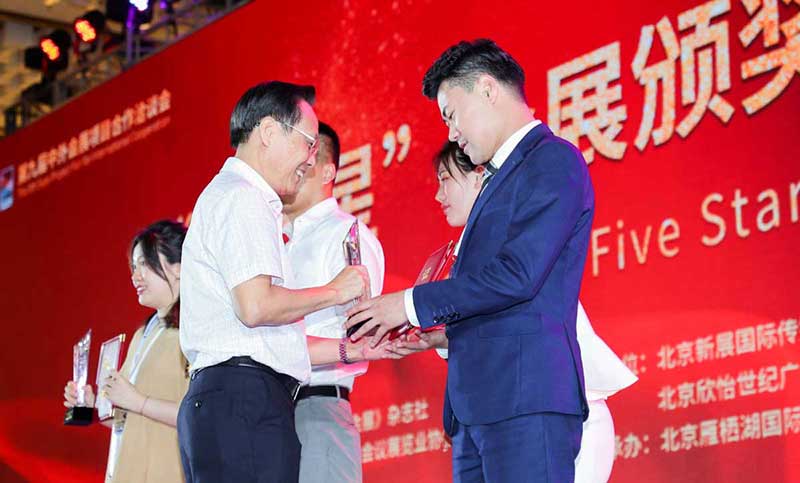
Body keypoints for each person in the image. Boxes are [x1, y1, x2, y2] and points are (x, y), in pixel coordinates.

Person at [346, 38, 595, 482]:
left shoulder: (552, 159)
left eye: (451, 114)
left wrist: (408, 304)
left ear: (487, 89)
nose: (451, 133)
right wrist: (437, 337)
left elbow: (518, 276)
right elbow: (494, 301)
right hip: (477, 410)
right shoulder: (497, 179)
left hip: (525, 402)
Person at [390, 142, 637, 482]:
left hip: (554, 413)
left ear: (479, 177)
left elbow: (514, 306)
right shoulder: (470, 252)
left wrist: (409, 305)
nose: (438, 195)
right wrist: (442, 340)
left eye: (446, 179)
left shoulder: (507, 243)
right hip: (505, 419)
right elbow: (492, 332)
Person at [178, 81, 370, 483]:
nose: (310, 159)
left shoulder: (233, 195)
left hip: (235, 400)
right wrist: (336, 291)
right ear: (268, 132)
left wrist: (349, 348)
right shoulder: (244, 197)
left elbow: (259, 321)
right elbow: (256, 306)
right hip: (245, 399)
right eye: (308, 143)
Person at [282, 121, 386, 483]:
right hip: (274, 412)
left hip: (317, 408)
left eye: (304, 164)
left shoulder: (346, 235)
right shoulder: (283, 244)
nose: (293, 172)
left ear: (328, 171)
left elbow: (358, 339)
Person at [63, 219, 189, 483]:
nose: (135, 276)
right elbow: (125, 420)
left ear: (178, 267)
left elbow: (202, 414)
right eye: (133, 266)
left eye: (145, 264)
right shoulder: (143, 334)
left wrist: (139, 402)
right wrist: (94, 406)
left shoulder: (195, 329)